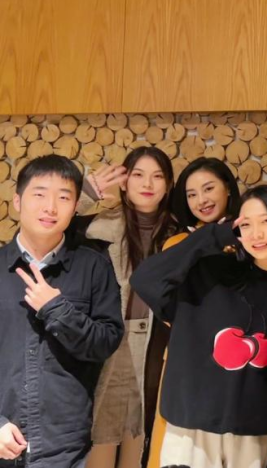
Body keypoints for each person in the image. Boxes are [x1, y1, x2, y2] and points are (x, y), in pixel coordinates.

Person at [130, 185, 267, 468]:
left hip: (254, 435)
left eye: (266, 221)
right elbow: (145, 280)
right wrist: (215, 234)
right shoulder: (211, 273)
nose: (256, 234)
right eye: (246, 224)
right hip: (191, 430)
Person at [0, 155, 123, 466]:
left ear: (76, 206)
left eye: (64, 197)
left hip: (63, 446)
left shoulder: (94, 266)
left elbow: (105, 343)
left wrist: (56, 309)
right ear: (18, 201)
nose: (51, 207)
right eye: (39, 194)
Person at [138, 156, 243, 468]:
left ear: (228, 188)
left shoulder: (253, 238)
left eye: (209, 189)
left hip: (242, 364)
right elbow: (154, 290)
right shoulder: (180, 243)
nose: (201, 200)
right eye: (192, 194)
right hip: (190, 363)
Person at [83, 148, 176, 468]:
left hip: (157, 344)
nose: (147, 184)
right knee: (100, 430)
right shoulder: (97, 228)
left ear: (169, 184)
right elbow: (50, 229)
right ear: (124, 182)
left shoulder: (178, 233)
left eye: (158, 176)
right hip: (108, 340)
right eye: (138, 175)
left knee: (142, 432)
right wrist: (86, 193)